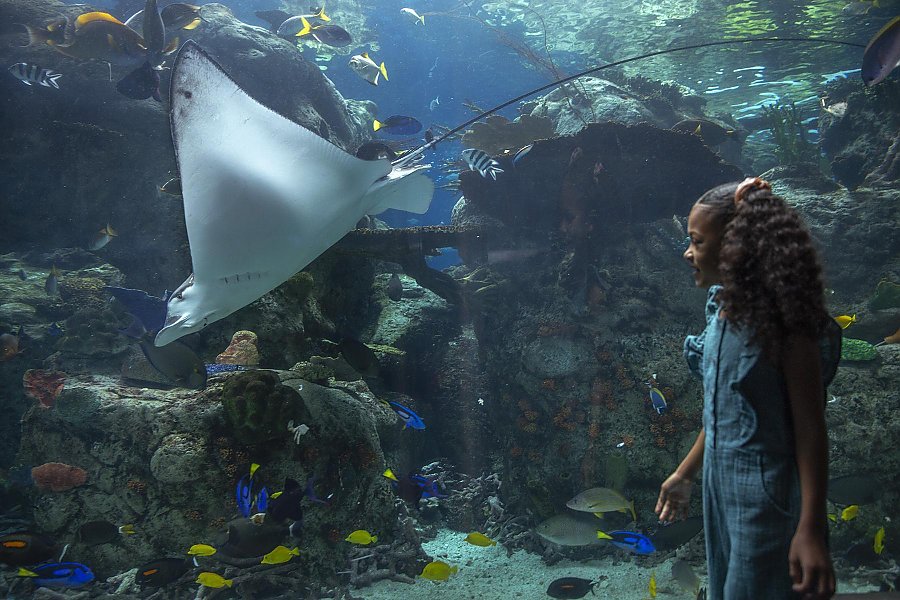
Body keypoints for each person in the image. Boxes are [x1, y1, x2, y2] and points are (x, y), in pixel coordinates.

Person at [655, 177, 842, 600]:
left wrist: (810, 528)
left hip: (766, 498)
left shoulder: (788, 322)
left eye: (697, 242)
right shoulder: (720, 311)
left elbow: (811, 429)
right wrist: (686, 472)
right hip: (719, 493)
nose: (688, 253)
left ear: (737, 248)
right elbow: (726, 412)